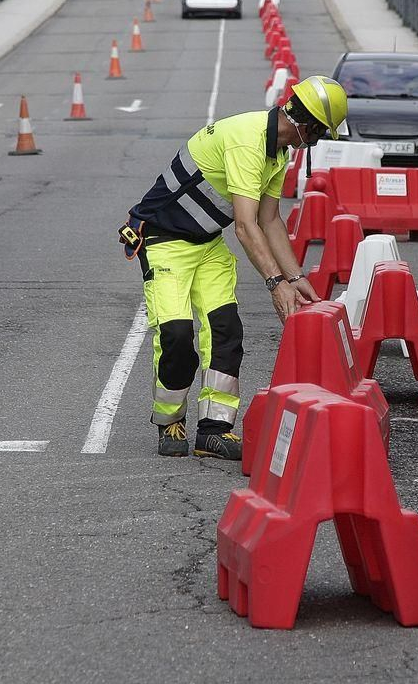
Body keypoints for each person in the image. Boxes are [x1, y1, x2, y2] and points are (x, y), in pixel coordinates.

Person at [119, 77, 349, 460]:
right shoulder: (249, 140)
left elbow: (270, 220)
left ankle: (213, 430)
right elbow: (245, 226)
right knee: (176, 334)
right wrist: (275, 283)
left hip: (206, 244)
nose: (320, 139)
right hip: (164, 243)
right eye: (322, 132)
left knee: (225, 331)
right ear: (306, 123)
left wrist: (297, 278)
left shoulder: (277, 151)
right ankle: (169, 419)